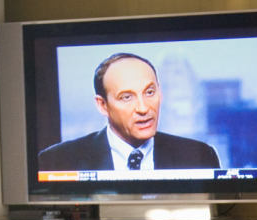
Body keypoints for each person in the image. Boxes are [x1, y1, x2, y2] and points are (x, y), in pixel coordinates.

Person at [38, 53, 222, 173]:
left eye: (149, 92)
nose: (143, 108)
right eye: (127, 97)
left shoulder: (200, 156)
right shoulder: (57, 161)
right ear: (103, 105)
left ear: (161, 93)